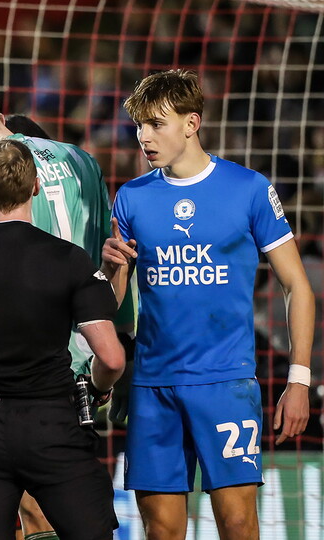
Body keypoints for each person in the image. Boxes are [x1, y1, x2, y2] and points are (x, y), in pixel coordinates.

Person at [102, 69, 314, 539]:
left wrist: (299, 378)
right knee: (162, 531)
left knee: (238, 524)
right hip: (154, 386)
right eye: (139, 125)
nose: (144, 137)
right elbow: (113, 302)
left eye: (156, 124)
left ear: (192, 123)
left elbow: (297, 286)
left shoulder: (249, 189)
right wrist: (112, 270)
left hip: (225, 384)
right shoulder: (131, 198)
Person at [0, 80, 129, 538]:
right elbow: (107, 267)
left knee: (22, 514)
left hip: (1, 390)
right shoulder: (81, 161)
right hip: (83, 369)